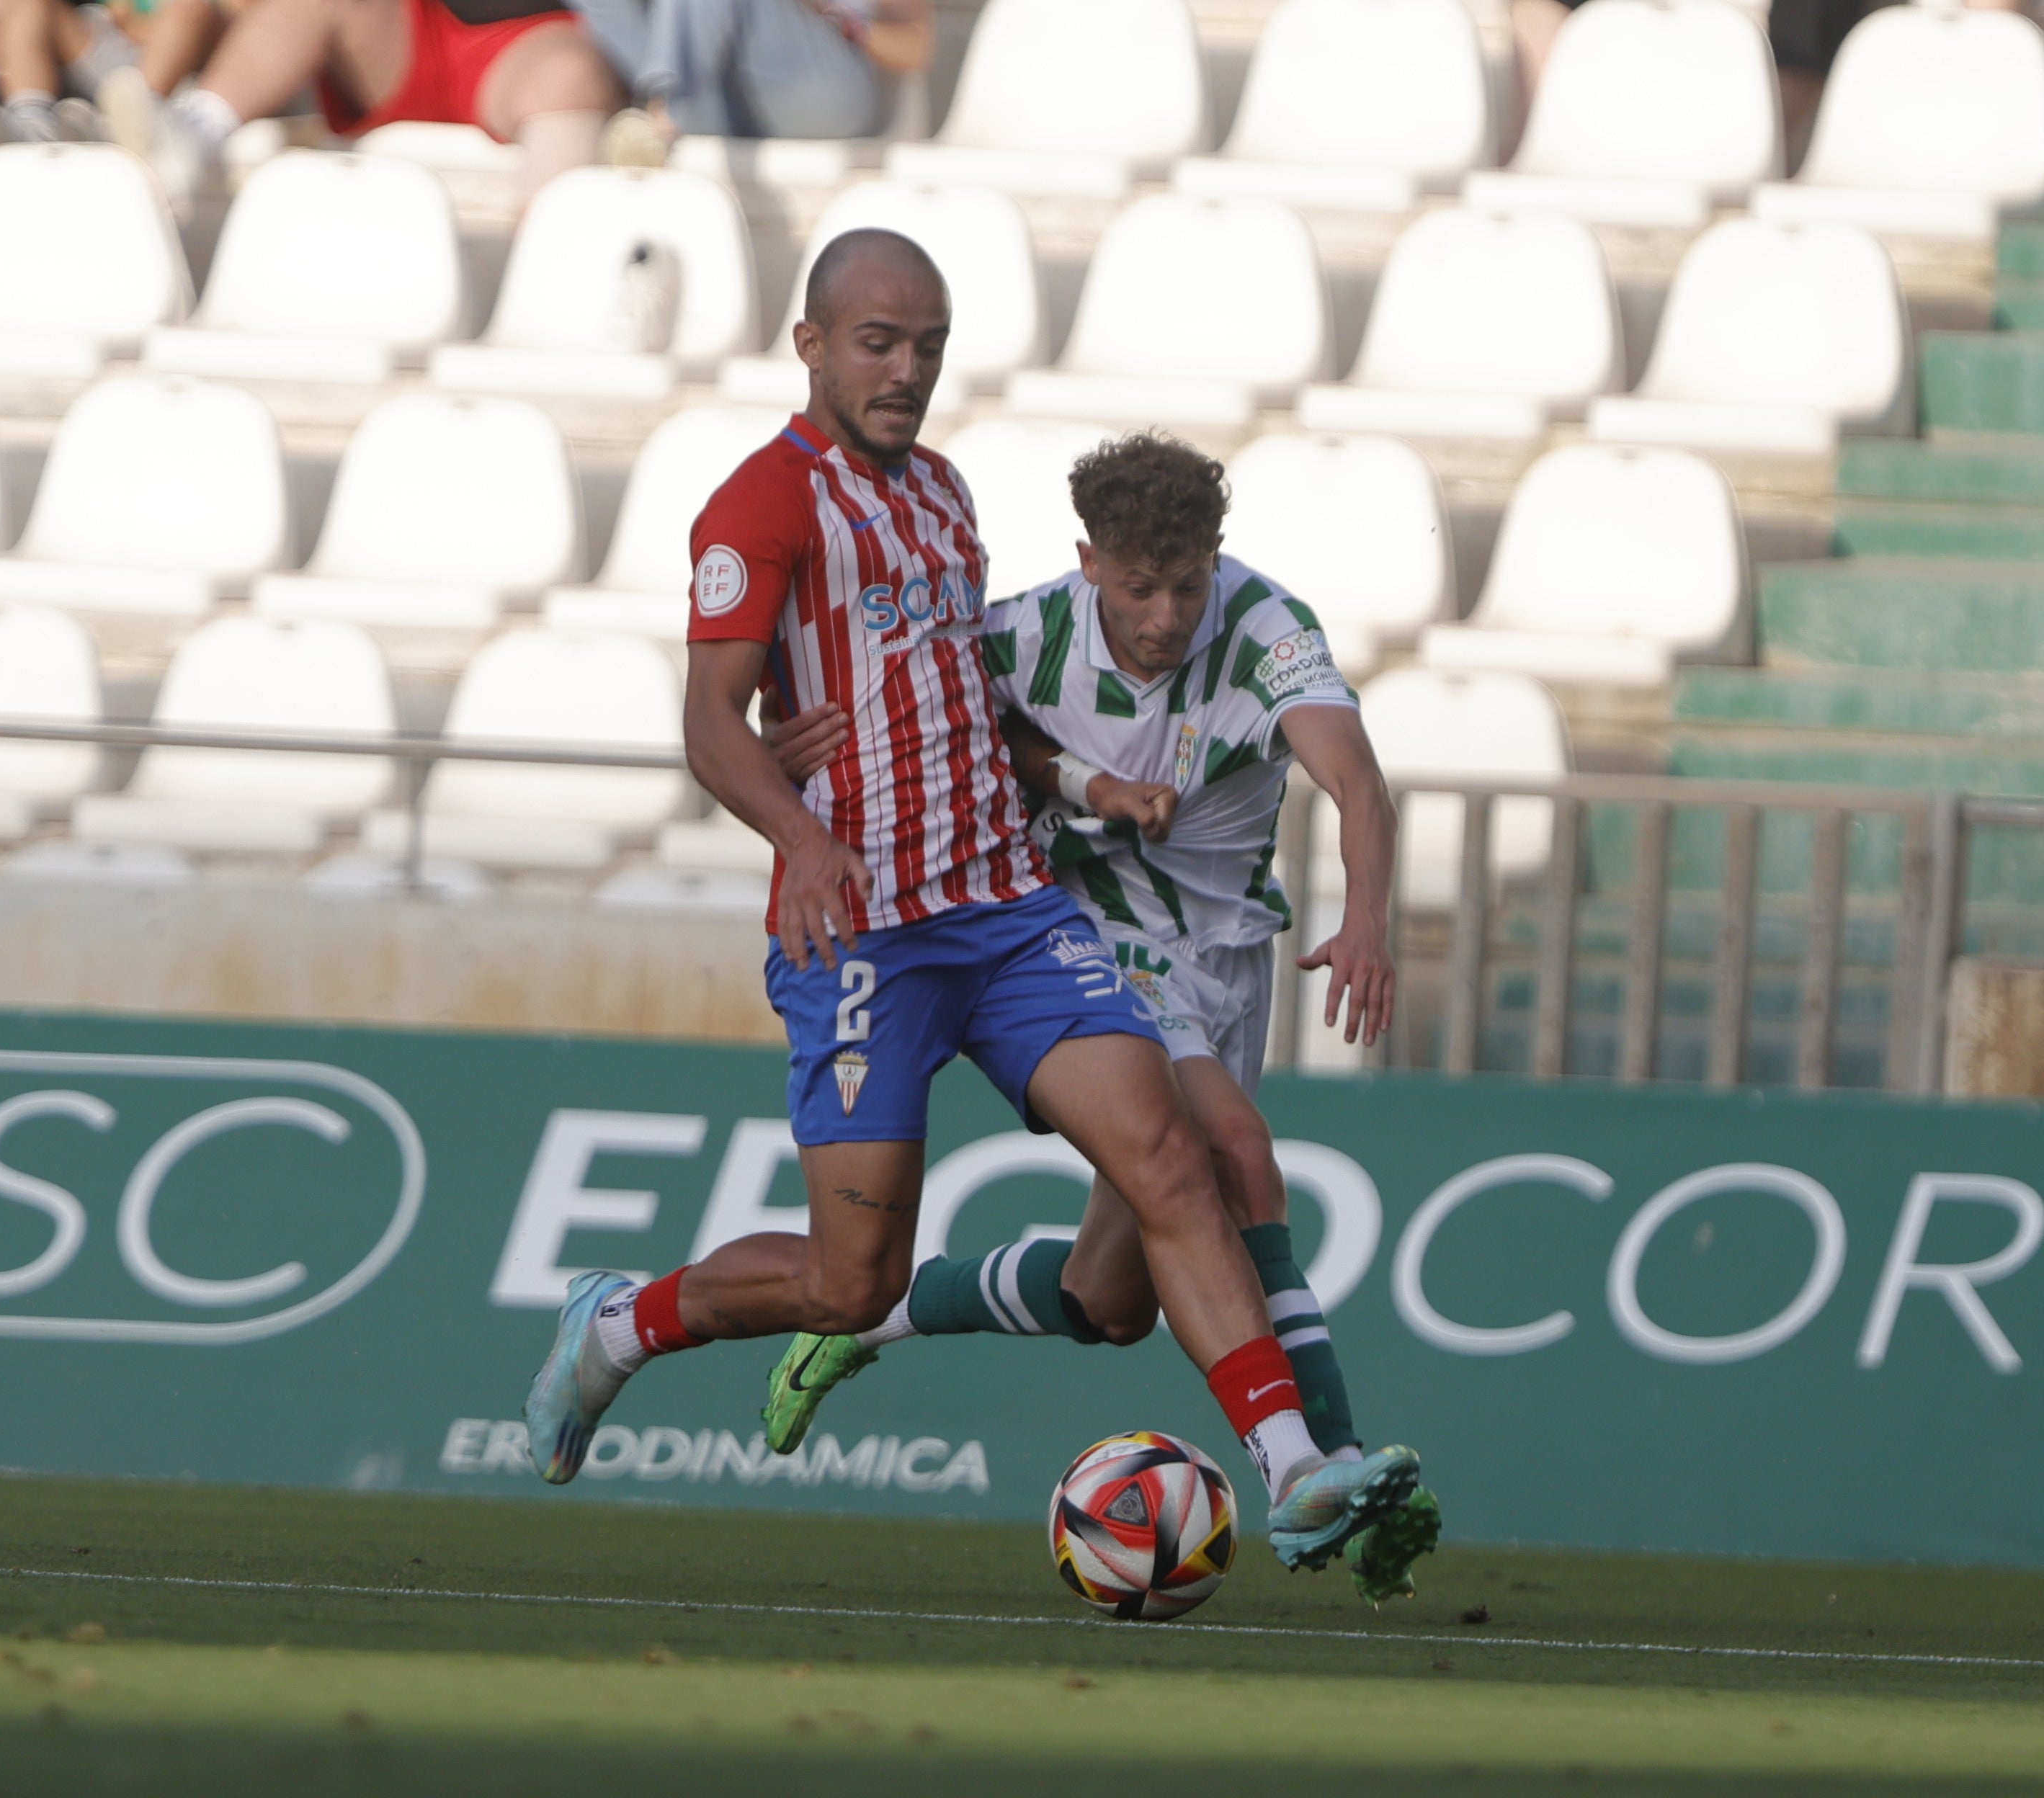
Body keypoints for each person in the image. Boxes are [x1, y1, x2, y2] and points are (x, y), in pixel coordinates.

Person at [519, 226, 1424, 1574]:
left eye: (927, 347)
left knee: (1173, 1157)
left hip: (1009, 911)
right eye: (877, 343)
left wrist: (1080, 785)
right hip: (864, 935)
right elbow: (710, 723)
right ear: (811, 345)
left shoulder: (944, 495)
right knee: (849, 1283)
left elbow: (966, 710)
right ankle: (619, 1322)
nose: (905, 370)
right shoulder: (760, 505)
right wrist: (797, 832)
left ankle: (1295, 1471)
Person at [753, 431, 1444, 1606]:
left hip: (1228, 958)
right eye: (1139, 587)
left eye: (1187, 584)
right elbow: (899, 710)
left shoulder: (1268, 628)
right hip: (1091, 940)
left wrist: (1367, 916)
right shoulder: (1024, 633)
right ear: (1089, 564)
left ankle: (871, 1321)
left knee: (1108, 1298)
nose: (1167, 614)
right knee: (1237, 1155)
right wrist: (775, 742)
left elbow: (1357, 782)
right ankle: (1323, 1470)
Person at [100, 0, 622, 207]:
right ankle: (194, 135)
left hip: (536, 39)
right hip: (416, 28)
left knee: (569, 77)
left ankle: (550, 269)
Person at [570, 0, 929, 153]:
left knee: (681, 90)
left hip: (822, 93)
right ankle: (669, 106)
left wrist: (833, 15)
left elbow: (916, 49)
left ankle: (666, 113)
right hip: (724, 94)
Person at [0, 0, 238, 148]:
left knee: (190, 7)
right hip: (112, 46)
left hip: (178, 68)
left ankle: (133, 127)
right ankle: (30, 124)